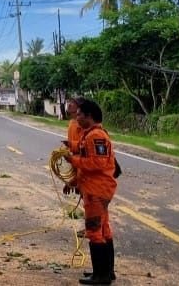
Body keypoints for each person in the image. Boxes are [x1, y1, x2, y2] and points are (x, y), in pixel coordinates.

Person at [64, 100, 117, 285]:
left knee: (94, 231)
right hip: (96, 189)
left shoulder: (96, 136)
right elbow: (83, 151)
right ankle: (106, 272)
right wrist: (71, 147)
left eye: (79, 114)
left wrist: (73, 160)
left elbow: (97, 163)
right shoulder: (90, 135)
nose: (76, 117)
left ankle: (101, 276)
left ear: (89, 116)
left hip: (97, 191)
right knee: (104, 230)